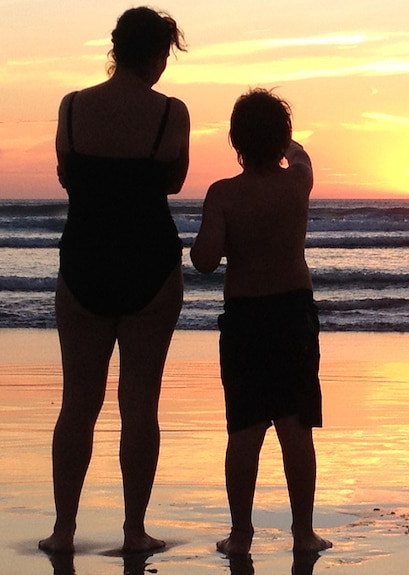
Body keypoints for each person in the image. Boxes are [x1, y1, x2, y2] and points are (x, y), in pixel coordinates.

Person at [39, 7, 190, 555]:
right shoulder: (170, 112)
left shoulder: (74, 107)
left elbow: (65, 173)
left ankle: (63, 530)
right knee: (140, 402)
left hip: (83, 261)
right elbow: (173, 181)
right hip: (150, 263)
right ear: (156, 54)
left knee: (77, 400)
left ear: (114, 48)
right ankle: (132, 530)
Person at [191, 88, 332, 555]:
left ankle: (240, 535)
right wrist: (289, 145)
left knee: (245, 431)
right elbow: (303, 157)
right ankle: (303, 532)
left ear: (235, 140)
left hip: (246, 318)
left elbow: (207, 260)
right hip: (293, 313)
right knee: (296, 428)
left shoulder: (224, 193)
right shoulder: (297, 183)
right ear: (283, 138)